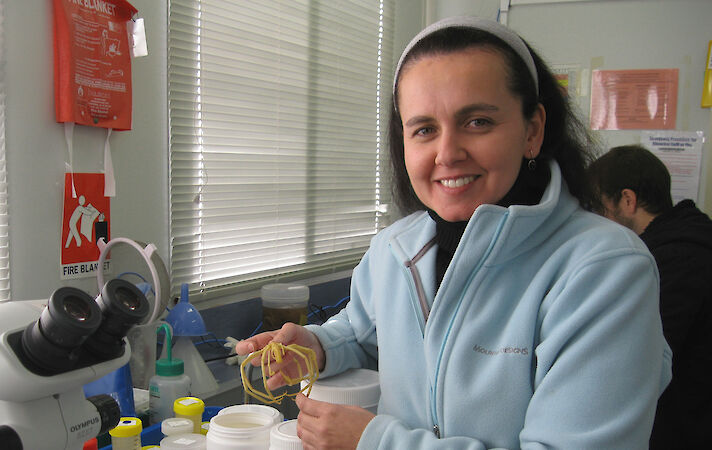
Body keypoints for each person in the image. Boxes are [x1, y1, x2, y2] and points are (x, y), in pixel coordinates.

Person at [237, 16, 671, 449]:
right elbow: (367, 331)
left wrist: (375, 442)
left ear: (532, 131)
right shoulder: (395, 249)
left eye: (478, 121)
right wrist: (318, 346)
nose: (447, 153)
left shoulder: (604, 270)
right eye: (424, 129)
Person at [587, 144, 712, 449]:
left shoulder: (675, 258)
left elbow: (638, 360)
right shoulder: (689, 236)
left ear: (627, 200)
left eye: (599, 208)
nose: (594, 223)